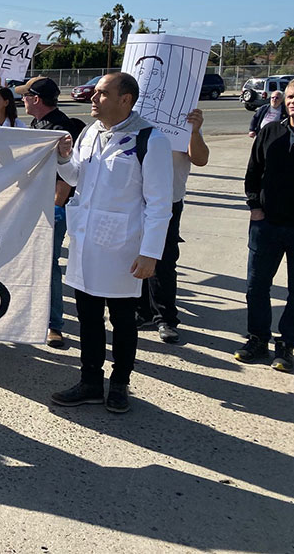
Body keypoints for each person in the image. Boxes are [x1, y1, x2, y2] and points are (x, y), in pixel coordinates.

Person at [50, 72, 173, 413]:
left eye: (102, 93)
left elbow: (160, 204)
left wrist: (150, 253)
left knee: (121, 321)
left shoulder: (150, 140)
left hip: (122, 248)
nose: (93, 97)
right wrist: (63, 159)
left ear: (125, 100)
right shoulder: (90, 133)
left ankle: (119, 384)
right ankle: (90, 381)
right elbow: (78, 176)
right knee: (88, 318)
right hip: (85, 243)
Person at [235, 77, 294, 372]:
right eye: (290, 96)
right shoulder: (270, 131)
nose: (293, 101)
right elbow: (253, 171)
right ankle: (257, 339)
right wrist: (254, 207)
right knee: (256, 286)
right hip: (266, 224)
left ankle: (286, 345)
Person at [18, 76, 83, 348]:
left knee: (49, 267)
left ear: (36, 99)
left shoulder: (59, 129)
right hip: (37, 207)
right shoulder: (40, 125)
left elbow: (67, 177)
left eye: (25, 96)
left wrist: (56, 207)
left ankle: (54, 325)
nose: (21, 100)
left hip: (52, 210)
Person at [136, 108, 210, 343]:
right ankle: (141, 311)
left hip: (168, 201)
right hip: (135, 200)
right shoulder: (136, 120)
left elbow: (201, 159)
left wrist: (195, 131)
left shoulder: (183, 122)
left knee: (163, 261)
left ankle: (165, 317)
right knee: (134, 256)